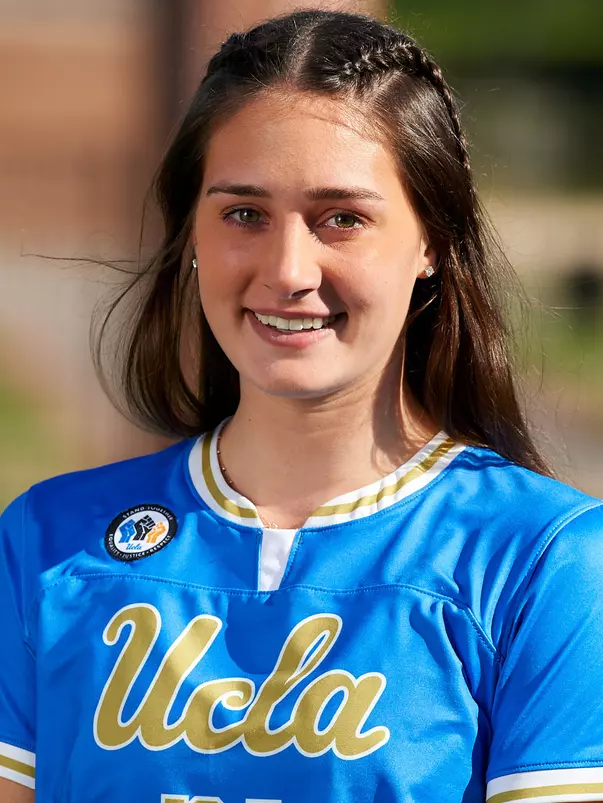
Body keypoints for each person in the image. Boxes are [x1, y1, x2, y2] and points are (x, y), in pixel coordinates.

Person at [1, 9, 602, 803]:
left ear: (432, 241)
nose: (288, 268)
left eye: (341, 218)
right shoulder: (46, 541)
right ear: (189, 234)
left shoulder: (543, 560)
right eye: (243, 213)